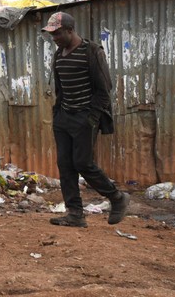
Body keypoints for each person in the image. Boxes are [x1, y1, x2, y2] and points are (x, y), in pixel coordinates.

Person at [43, 12, 129, 227]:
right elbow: (60, 88)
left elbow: (104, 89)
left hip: (84, 117)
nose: (54, 38)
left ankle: (117, 198)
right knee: (65, 165)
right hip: (63, 117)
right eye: (51, 34)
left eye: (58, 33)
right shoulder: (59, 54)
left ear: (70, 30)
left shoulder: (92, 51)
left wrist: (91, 117)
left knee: (82, 163)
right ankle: (75, 214)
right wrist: (57, 114)